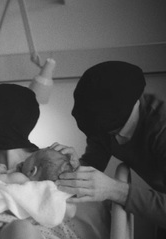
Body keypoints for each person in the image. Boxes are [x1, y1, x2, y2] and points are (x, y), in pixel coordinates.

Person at [55, 61, 166, 238]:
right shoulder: (102, 121)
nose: (101, 138)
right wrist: (75, 166)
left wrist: (115, 190)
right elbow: (93, 161)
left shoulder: (160, 130)